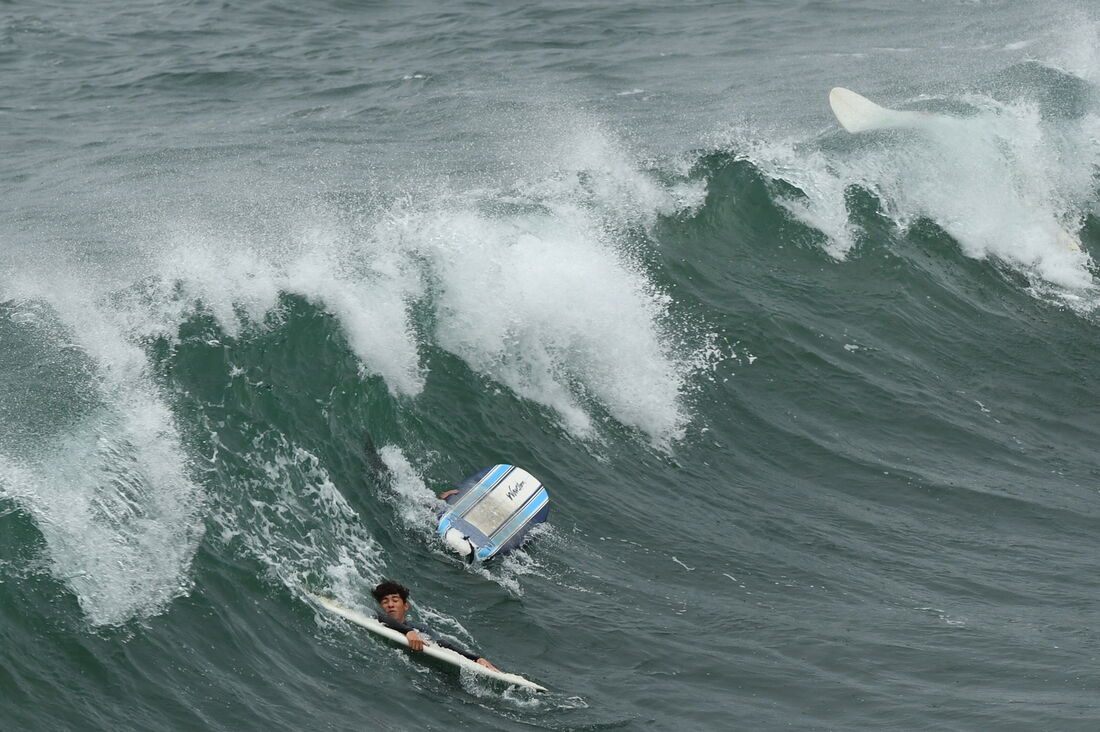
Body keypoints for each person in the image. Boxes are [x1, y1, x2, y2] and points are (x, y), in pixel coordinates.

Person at [371, 580, 499, 671]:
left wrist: (476, 659)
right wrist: (407, 631)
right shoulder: (376, 619)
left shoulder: (420, 629)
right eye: (385, 601)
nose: (390, 605)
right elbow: (378, 615)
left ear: (406, 606)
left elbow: (443, 644)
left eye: (395, 600)